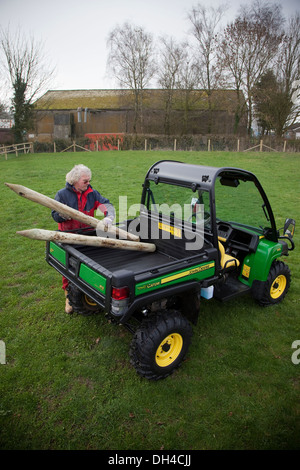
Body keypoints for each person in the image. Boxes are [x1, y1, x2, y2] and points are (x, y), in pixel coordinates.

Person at [51, 164, 115, 313]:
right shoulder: (62, 195)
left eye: (89, 180)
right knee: (68, 268)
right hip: (69, 237)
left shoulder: (92, 193)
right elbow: (54, 215)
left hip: (87, 236)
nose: (88, 183)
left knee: (88, 266)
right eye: (85, 181)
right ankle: (68, 296)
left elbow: (106, 204)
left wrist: (109, 217)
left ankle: (88, 292)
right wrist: (62, 215)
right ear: (74, 180)